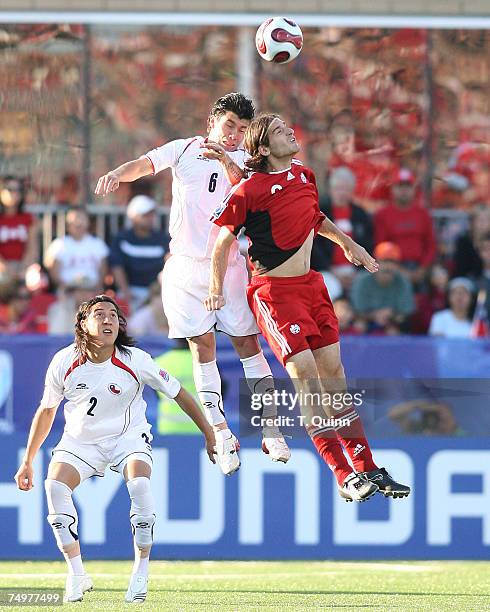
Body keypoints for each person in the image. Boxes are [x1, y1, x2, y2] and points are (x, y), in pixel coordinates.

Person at [205, 113, 410, 502]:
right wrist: (216, 289)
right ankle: (342, 475)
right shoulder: (249, 191)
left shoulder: (305, 175)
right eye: (281, 131)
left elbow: (314, 218)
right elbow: (221, 243)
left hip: (312, 287)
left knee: (335, 379)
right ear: (264, 148)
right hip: (275, 294)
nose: (291, 131)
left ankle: (366, 467)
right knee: (309, 383)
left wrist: (348, 243)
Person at [95, 93, 290, 474]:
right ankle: (220, 431)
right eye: (230, 125)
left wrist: (228, 163)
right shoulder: (183, 149)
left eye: (242, 129)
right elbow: (146, 164)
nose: (234, 135)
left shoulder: (247, 161)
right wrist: (119, 173)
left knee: (249, 344)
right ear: (213, 121)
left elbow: (251, 197)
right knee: (202, 349)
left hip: (229, 263)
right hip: (184, 266)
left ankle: (271, 428)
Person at [14, 295, 215, 603]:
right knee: (54, 487)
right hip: (81, 440)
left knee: (140, 485)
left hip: (128, 437)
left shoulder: (136, 360)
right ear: (83, 323)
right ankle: (77, 574)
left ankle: (141, 571)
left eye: (114, 315)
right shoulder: (64, 362)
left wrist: (209, 432)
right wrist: (27, 460)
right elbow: (46, 411)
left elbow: (179, 393)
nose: (108, 320)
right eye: (100, 314)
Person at [311, 166, 373, 295]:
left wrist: (358, 271)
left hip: (356, 272)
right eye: (338, 188)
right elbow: (314, 247)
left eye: (346, 189)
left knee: (365, 287)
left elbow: (368, 244)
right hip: (326, 270)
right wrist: (331, 269)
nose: (342, 193)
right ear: (331, 189)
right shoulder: (320, 212)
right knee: (329, 289)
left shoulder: (361, 215)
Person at [374, 168, 436, 285]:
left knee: (439, 278)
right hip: (392, 266)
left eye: (407, 186)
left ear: (413, 189)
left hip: (420, 267)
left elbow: (431, 245)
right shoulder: (383, 214)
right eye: (400, 186)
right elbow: (380, 246)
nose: (404, 190)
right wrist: (398, 270)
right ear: (392, 189)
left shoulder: (423, 214)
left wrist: (422, 269)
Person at [109, 195, 168, 312]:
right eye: (145, 215)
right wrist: (126, 292)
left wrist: (159, 291)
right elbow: (117, 266)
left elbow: (169, 263)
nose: (150, 218)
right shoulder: (122, 239)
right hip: (129, 295)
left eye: (151, 214)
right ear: (133, 217)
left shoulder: (163, 239)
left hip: (157, 295)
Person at [350, 242, 415, 335]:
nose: (388, 266)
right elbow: (356, 310)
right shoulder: (362, 280)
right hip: (367, 320)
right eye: (384, 261)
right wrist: (374, 315)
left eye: (392, 262)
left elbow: (405, 312)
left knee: (395, 331)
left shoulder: (402, 281)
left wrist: (391, 315)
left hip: (392, 322)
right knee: (358, 326)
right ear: (374, 262)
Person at [44, 208, 109, 293]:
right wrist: (67, 287)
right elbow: (53, 272)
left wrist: (96, 287)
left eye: (81, 219)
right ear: (68, 224)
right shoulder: (58, 245)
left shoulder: (98, 244)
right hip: (67, 293)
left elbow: (103, 270)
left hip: (92, 292)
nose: (78, 223)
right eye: (74, 220)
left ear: (88, 222)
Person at [0, 175, 38, 282]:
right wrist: (7, 270)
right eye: (10, 189)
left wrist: (23, 269)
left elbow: (32, 248)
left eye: (18, 190)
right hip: (2, 268)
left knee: (35, 281)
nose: (14, 193)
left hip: (23, 267)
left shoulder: (28, 218)